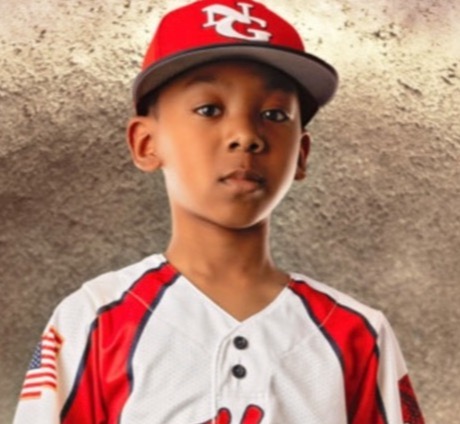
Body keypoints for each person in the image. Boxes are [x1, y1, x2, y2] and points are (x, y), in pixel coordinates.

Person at [13, 0, 425, 423]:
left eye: (274, 114)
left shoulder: (359, 334)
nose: (245, 135)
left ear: (301, 154)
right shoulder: (92, 320)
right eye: (209, 109)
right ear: (146, 143)